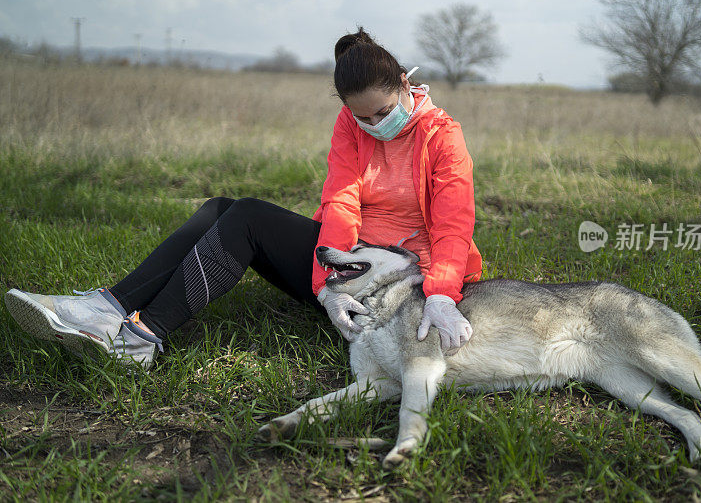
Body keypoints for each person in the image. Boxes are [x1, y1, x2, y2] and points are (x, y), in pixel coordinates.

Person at [3, 27, 483, 370]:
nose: (374, 126)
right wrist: (327, 283)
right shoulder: (350, 126)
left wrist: (442, 295)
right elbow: (341, 202)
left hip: (402, 278)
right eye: (362, 118)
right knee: (221, 210)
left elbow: (453, 228)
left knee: (248, 215)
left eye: (381, 113)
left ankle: (139, 338)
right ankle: (109, 309)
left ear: (405, 84)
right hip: (349, 268)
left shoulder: (443, 138)